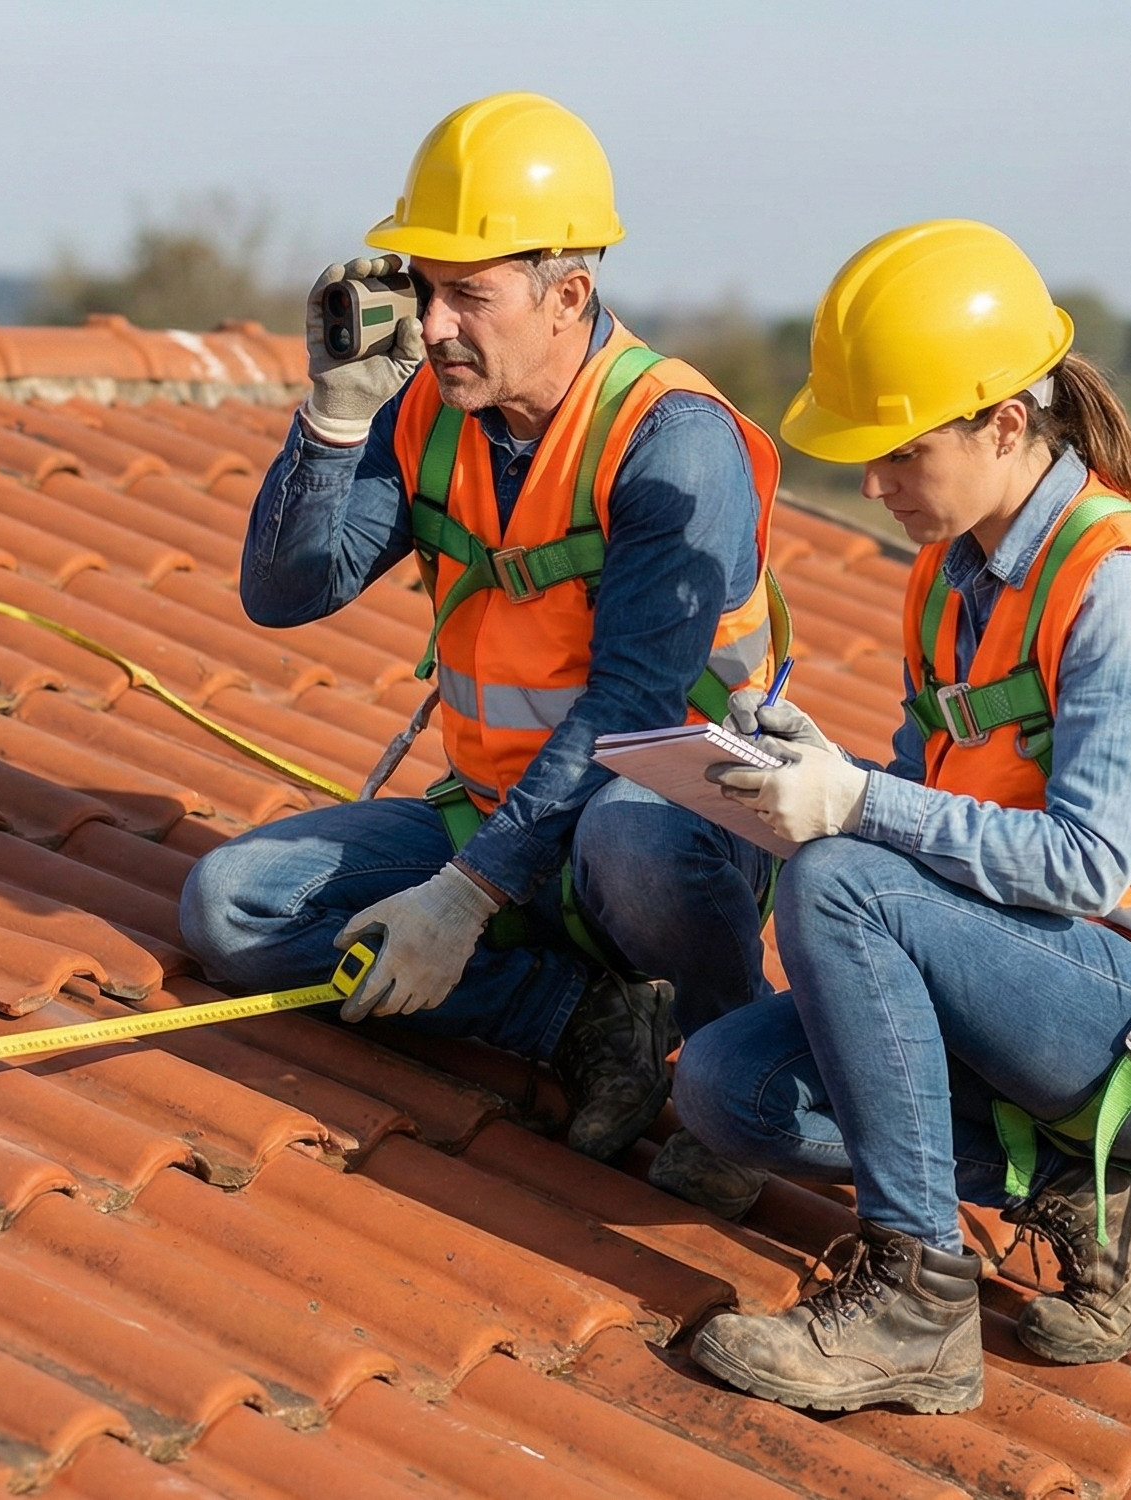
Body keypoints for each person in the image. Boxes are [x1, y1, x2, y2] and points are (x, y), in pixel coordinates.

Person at [675, 219, 1131, 1416]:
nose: (871, 486)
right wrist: (822, 775)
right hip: (1025, 994)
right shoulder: (947, 575)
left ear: (1002, 425)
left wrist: (852, 807)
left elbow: (1074, 867)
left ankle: (913, 1306)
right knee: (720, 1088)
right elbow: (926, 805)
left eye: (897, 453)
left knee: (835, 881)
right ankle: (1086, 1193)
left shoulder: (1121, 593)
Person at [178, 92, 785, 1177]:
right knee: (231, 909)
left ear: (568, 295)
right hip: (499, 822)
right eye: (420, 290)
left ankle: (726, 1058)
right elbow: (283, 593)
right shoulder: (423, 408)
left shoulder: (672, 441)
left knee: (631, 832)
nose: (435, 323)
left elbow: (631, 712)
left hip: (668, 830)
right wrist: (332, 413)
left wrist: (461, 901)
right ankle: (581, 1021)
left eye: (468, 294)